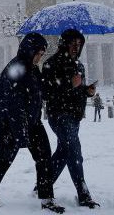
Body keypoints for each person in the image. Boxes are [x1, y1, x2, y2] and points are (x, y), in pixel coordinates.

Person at [0, 32, 65, 213]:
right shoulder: (15, 69)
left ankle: (46, 199)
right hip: (9, 122)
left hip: (32, 121)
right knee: (5, 157)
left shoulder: (33, 69)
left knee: (44, 157)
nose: (39, 57)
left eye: (42, 54)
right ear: (29, 50)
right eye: (38, 53)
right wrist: (20, 134)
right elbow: (12, 103)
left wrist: (60, 84)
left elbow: (42, 91)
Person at [41, 29, 100, 209]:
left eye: (79, 44)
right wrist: (68, 84)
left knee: (63, 152)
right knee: (75, 151)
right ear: (64, 44)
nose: (76, 47)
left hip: (74, 116)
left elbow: (78, 90)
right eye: (73, 44)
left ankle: (43, 184)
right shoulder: (51, 64)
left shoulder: (78, 65)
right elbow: (47, 93)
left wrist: (87, 91)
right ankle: (83, 193)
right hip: (59, 115)